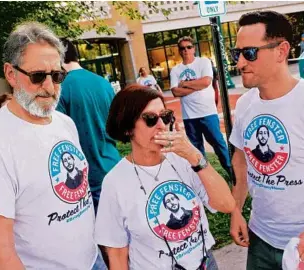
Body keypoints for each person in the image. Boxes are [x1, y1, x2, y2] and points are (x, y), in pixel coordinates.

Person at [0, 22, 101, 269]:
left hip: (93, 259)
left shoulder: (65, 123)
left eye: (57, 76)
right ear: (11, 74)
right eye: (37, 77)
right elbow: (0, 253)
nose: (49, 87)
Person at [229, 11, 304, 270]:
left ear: (281, 51)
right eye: (237, 54)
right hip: (260, 240)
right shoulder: (246, 105)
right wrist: (236, 209)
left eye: (250, 53)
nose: (240, 63)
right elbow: (241, 160)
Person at [94, 84, 235, 269]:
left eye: (165, 116)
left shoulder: (183, 160)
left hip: (205, 263)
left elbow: (226, 204)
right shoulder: (115, 182)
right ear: (128, 128)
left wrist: (195, 156)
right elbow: (117, 254)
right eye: (150, 119)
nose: (161, 125)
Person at [57, 38, 121, 215]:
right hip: (114, 165)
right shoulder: (103, 82)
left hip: (88, 177)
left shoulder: (61, 88)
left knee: (104, 238)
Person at [170, 36, 231, 174]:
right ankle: (204, 177)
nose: (186, 50)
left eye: (189, 47)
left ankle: (232, 173)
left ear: (194, 48)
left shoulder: (203, 62)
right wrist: (196, 85)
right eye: (182, 48)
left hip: (207, 113)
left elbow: (206, 82)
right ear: (179, 51)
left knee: (218, 144)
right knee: (196, 149)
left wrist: (185, 83)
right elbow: (175, 92)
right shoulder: (175, 70)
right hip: (189, 116)